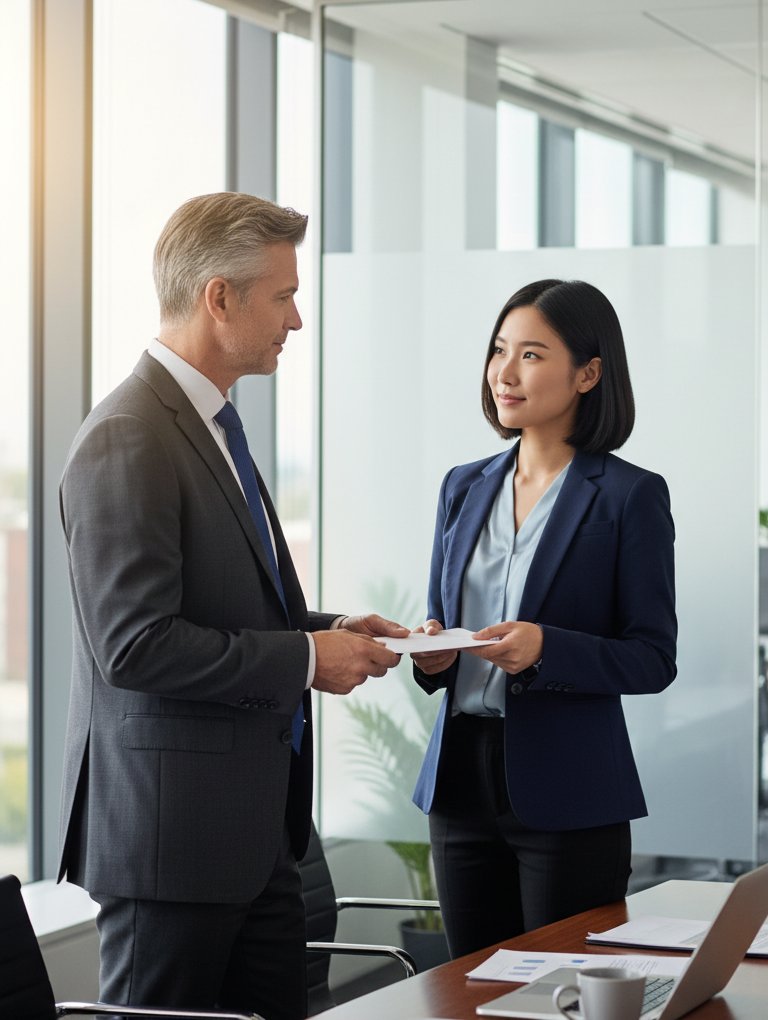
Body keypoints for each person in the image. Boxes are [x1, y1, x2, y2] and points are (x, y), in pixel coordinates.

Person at [58, 192, 408, 1020]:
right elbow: (135, 646)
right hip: (171, 847)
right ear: (220, 297)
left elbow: (223, 604)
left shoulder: (214, 424)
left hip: (256, 843)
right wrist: (304, 660)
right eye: (282, 296)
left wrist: (329, 632)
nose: (295, 320)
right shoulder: (129, 434)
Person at [408, 278, 677, 958]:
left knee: (562, 990)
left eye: (531, 354)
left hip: (570, 788)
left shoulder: (628, 496)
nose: (503, 372)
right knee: (470, 988)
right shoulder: (461, 485)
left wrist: (545, 648)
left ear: (589, 373)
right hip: (461, 783)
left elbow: (652, 657)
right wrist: (434, 655)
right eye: (499, 350)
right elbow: (444, 622)